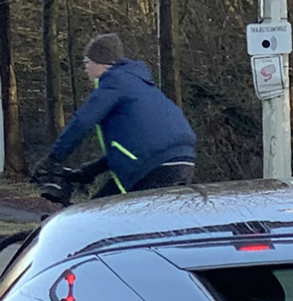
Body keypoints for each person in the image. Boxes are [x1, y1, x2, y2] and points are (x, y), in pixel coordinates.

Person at [40, 33, 195, 200]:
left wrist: (54, 158)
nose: (85, 68)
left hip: (152, 165)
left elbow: (82, 122)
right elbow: (136, 146)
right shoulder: (137, 83)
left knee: (102, 211)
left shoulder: (113, 82)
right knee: (152, 218)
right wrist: (91, 170)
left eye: (87, 62)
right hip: (182, 159)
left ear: (102, 63)